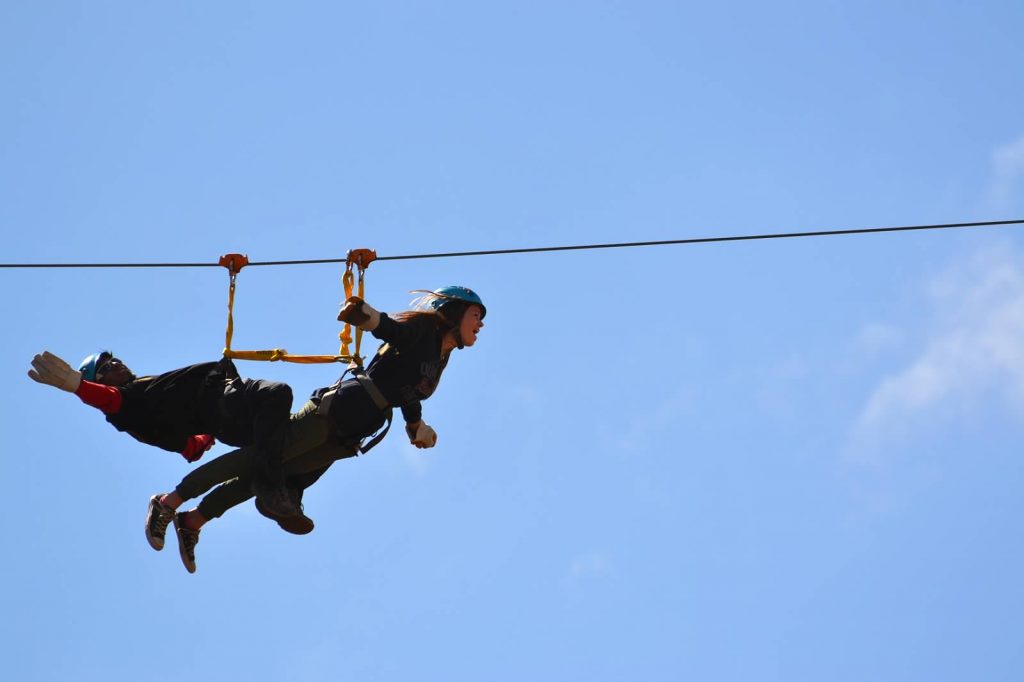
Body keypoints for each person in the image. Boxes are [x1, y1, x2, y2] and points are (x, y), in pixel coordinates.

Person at [147, 285, 487, 573]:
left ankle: (193, 521)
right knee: (255, 460)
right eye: (476, 315)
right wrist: (364, 315)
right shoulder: (424, 333)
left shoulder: (440, 357)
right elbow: (391, 330)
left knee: (267, 479)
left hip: (351, 434)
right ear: (453, 312)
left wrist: (416, 424)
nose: (480, 325)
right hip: (336, 412)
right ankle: (168, 502)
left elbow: (407, 392)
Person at [27, 351, 299, 521]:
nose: (117, 363)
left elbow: (190, 448)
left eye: (115, 359)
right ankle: (271, 486)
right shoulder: (127, 404)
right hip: (226, 408)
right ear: (99, 381)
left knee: (286, 433)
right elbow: (108, 400)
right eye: (108, 366)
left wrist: (205, 438)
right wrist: (78, 386)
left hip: (230, 395)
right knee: (277, 394)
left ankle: (288, 491)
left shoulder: (147, 391)